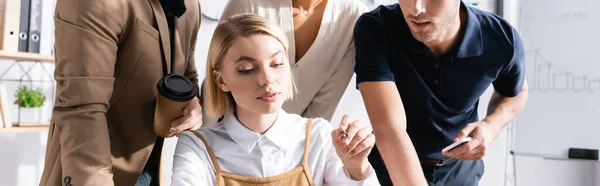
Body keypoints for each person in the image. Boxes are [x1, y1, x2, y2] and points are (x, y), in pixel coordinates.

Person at [171, 13, 380, 186]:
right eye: (247, 69)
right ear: (221, 80)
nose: (267, 80)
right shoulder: (197, 147)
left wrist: (357, 168)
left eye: (277, 63)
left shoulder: (318, 136)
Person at [353, 0, 529, 185]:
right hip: (389, 169)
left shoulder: (502, 39)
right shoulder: (375, 28)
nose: (416, 9)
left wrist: (491, 126)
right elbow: (389, 130)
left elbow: (517, 92)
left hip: (461, 175)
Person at [39, 0, 204, 185]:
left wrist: (194, 108)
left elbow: (188, 79)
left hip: (151, 171)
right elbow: (82, 109)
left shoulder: (190, 6)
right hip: (94, 172)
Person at [216, 0, 369, 121]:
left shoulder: (354, 15)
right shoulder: (250, 2)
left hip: (291, 148)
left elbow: (322, 108)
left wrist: (297, 151)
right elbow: (218, 83)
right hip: (221, 132)